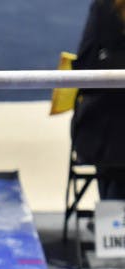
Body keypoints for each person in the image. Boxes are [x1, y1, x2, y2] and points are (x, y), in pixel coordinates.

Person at [71, 0, 125, 198]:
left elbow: (84, 70)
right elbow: (85, 73)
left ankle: (113, 211)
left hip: (105, 136)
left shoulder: (103, 7)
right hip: (108, 136)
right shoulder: (105, 8)